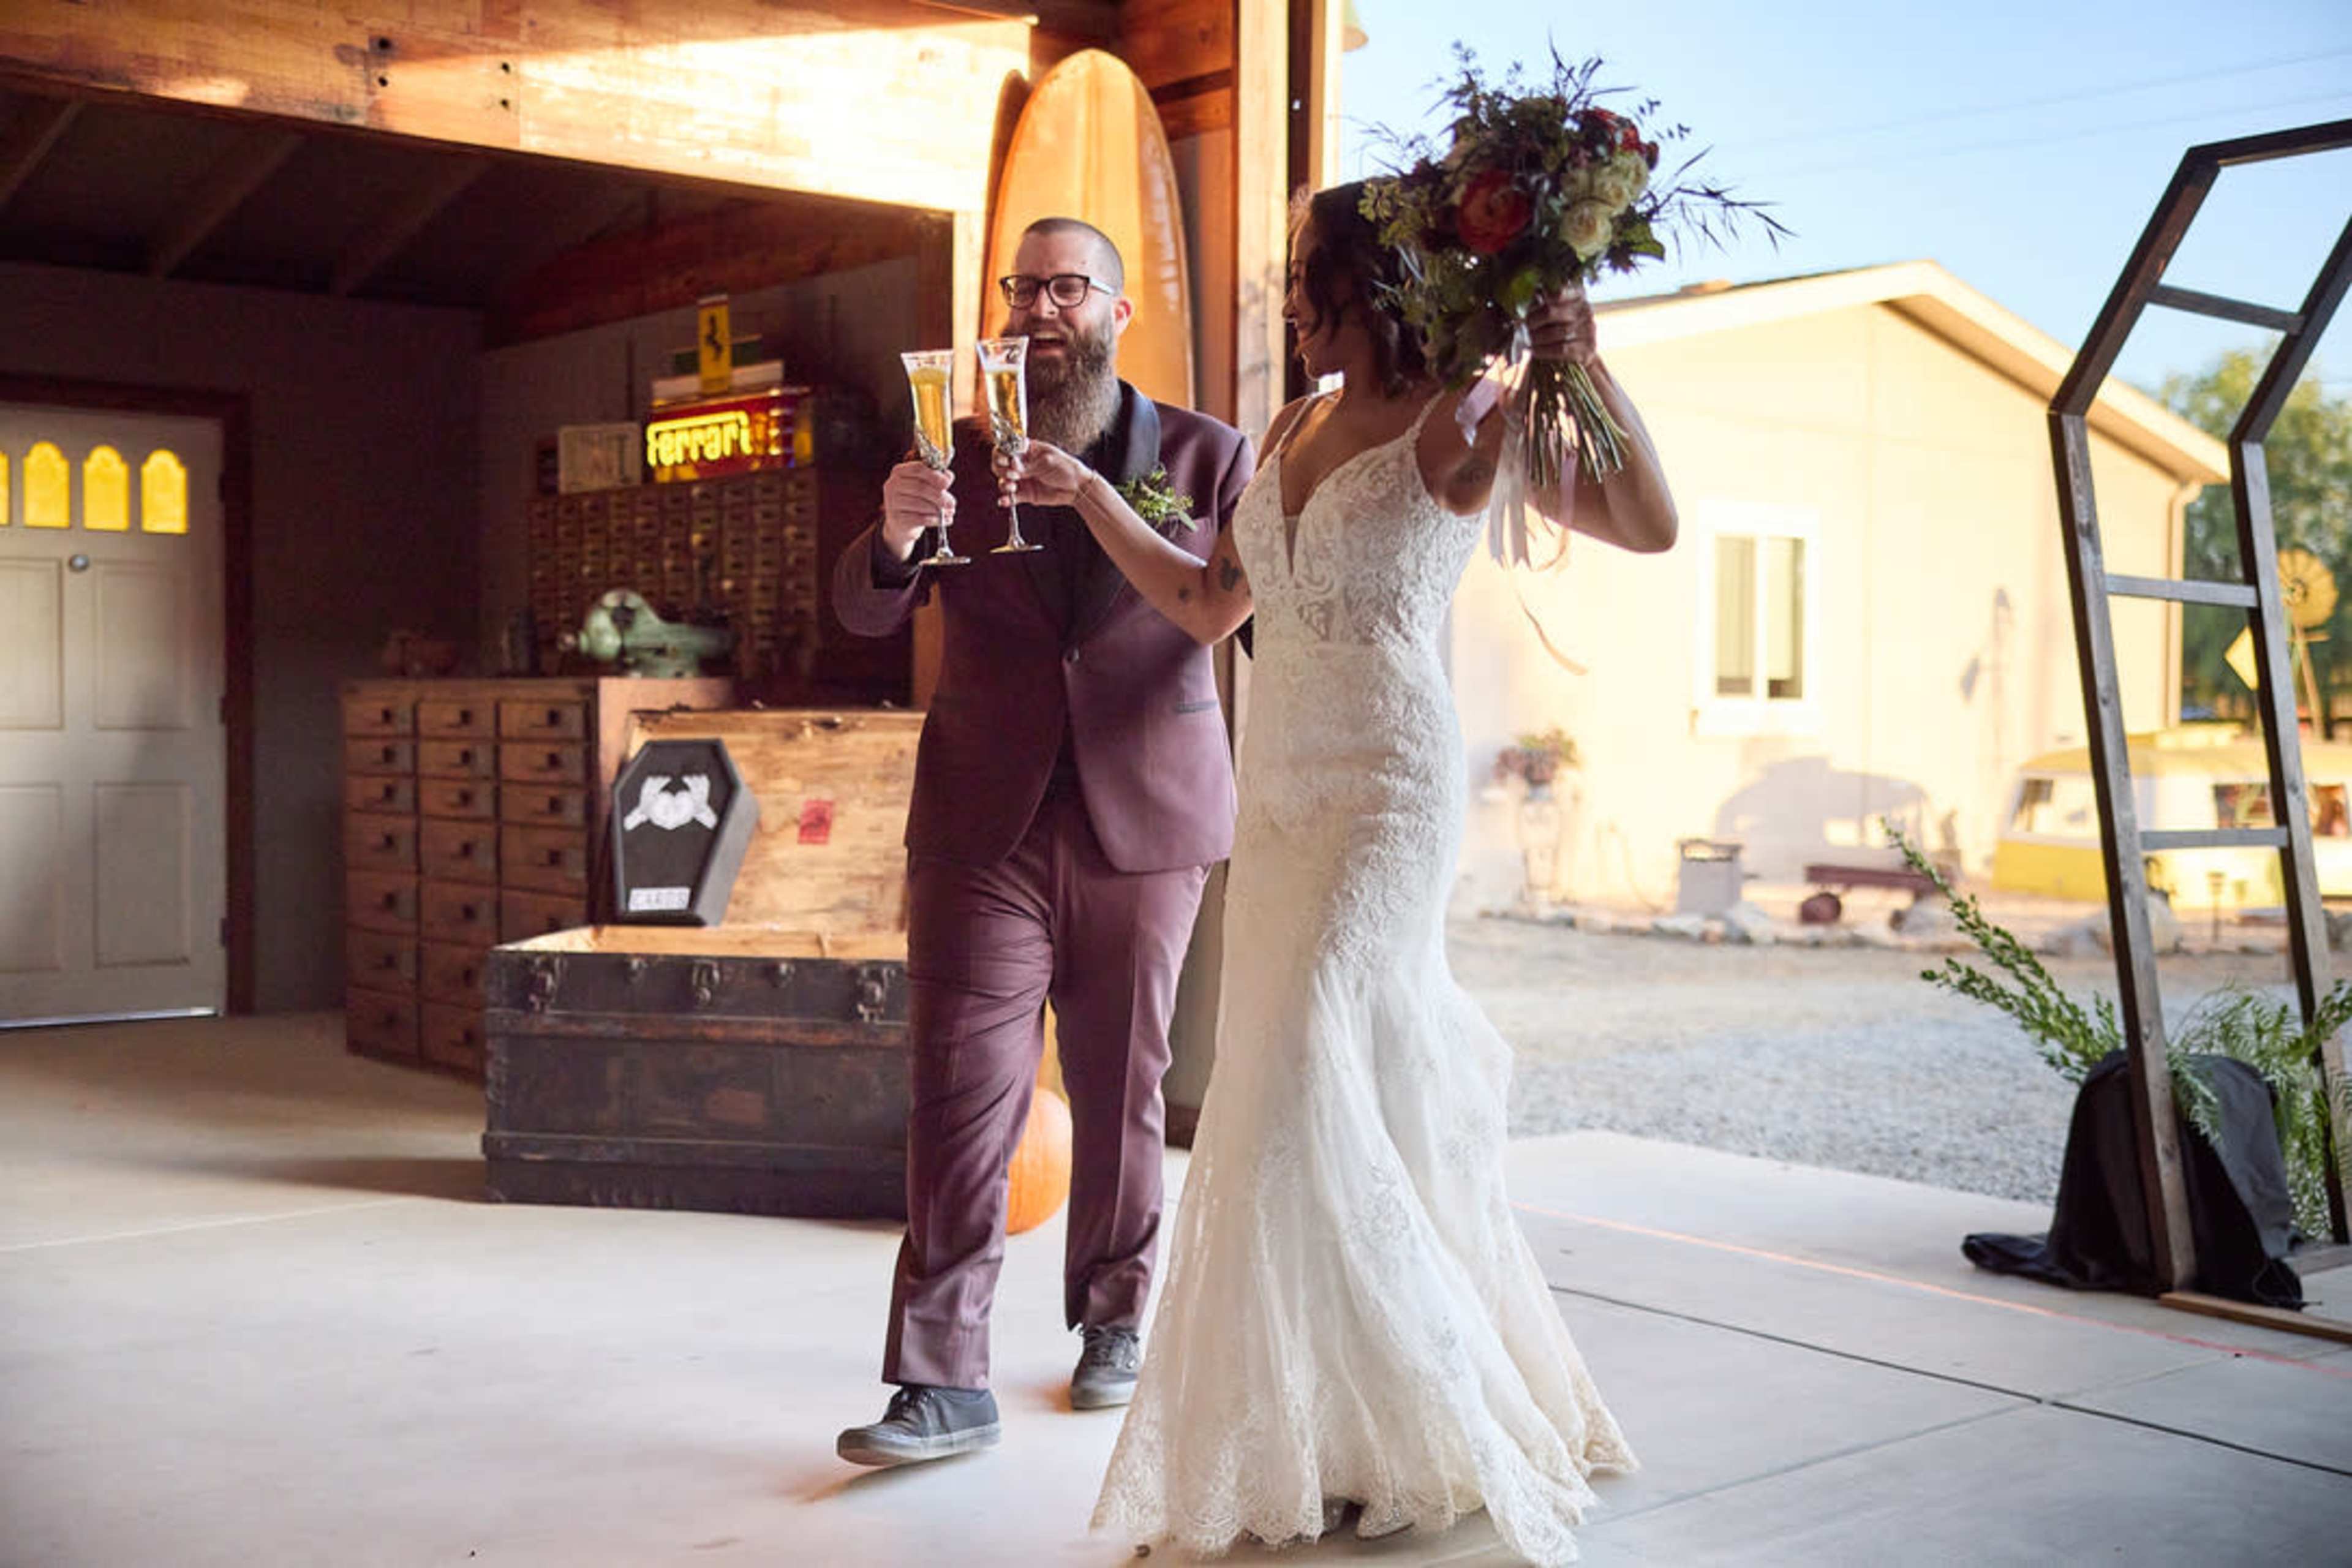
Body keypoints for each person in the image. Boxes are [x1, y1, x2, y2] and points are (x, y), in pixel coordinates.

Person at [999, 182, 1677, 1563]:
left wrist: (1583, 360)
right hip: (1285, 802)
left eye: (1304, 272)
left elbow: (1646, 521)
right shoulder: (1295, 424)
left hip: (1387, 793)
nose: (1286, 297)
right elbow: (1202, 600)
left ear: (1374, 282)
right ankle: (1343, 1431)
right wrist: (1080, 499)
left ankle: (1431, 1412)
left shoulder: (1462, 424)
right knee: (1281, 1099)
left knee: (1313, 1061)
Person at [829, 217, 1255, 1467]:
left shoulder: (1207, 452)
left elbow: (1219, 610)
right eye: (1022, 288)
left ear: (1119, 311)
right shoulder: (949, 453)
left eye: (1068, 286)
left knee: (1125, 1084)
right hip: (981, 819)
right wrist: (896, 534)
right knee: (957, 1092)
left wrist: (1104, 500)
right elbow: (863, 608)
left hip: (1146, 811)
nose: (1040, 308)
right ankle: (939, 1378)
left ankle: (1114, 1320)